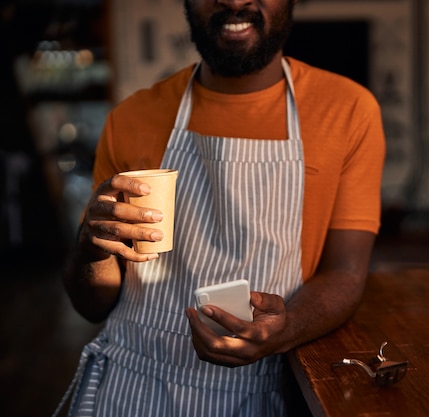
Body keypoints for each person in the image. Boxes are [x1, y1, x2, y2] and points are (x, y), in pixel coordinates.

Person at [56, 0, 385, 415]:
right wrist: (91, 248)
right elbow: (91, 306)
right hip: (135, 384)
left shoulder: (348, 110)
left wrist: (283, 331)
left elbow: (346, 272)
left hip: (264, 391)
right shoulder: (132, 116)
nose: (233, 1)